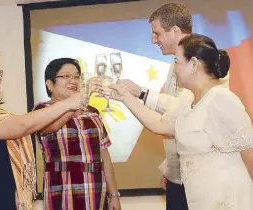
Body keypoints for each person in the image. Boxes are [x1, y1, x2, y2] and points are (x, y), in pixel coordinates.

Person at [108, 34, 253, 210]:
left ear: (193, 64)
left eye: (176, 61)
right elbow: (160, 124)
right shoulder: (188, 98)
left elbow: (249, 154)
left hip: (228, 200)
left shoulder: (221, 99)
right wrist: (124, 97)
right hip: (199, 200)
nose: (174, 68)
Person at [0, 48, 87, 210]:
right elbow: (21, 126)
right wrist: (68, 103)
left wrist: (71, 107)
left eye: (0, 72)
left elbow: (39, 126)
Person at [119, 3, 193, 209]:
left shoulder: (205, 61)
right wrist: (170, 170)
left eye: (157, 33)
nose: (153, 40)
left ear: (175, 31)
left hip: (197, 179)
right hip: (178, 177)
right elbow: (173, 115)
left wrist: (138, 93)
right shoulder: (175, 64)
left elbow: (182, 110)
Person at [33, 58, 121, 210]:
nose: (73, 81)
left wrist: (113, 194)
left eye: (76, 76)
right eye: (66, 76)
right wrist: (78, 101)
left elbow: (104, 156)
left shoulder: (92, 112)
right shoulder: (42, 110)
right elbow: (52, 126)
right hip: (63, 193)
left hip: (96, 192)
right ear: (50, 84)